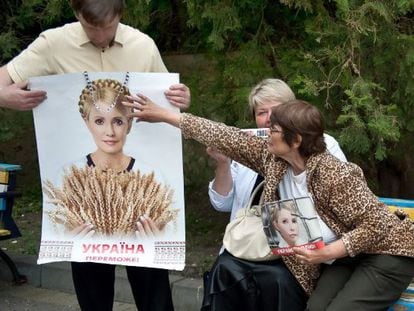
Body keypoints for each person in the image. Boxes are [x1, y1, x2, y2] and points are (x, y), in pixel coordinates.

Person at [126, 96, 414, 311]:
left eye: (273, 128)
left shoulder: (334, 173)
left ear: (296, 139)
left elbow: (376, 224)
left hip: (386, 253)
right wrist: (163, 115)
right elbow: (223, 135)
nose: (265, 132)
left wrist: (327, 251)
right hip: (345, 256)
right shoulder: (273, 159)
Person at [203, 79, 346, 310]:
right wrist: (222, 164)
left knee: (277, 281)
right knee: (224, 268)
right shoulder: (246, 146)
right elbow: (221, 203)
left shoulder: (323, 144)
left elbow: (338, 204)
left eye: (276, 110)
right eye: (262, 112)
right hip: (250, 245)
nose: (269, 118)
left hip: (296, 248)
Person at [66, 78, 173, 311]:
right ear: (87, 123)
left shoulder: (151, 175)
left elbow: (167, 222)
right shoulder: (71, 175)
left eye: (118, 121)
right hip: (91, 249)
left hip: (142, 249)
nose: (110, 132)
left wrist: (160, 235)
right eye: (99, 121)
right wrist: (67, 234)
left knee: (155, 300)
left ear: (130, 124)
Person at [0, 0, 190, 111]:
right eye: (90, 28)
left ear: (120, 14)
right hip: (68, 169)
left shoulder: (144, 46)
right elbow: (3, 78)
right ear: (76, 13)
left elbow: (169, 102)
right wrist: (3, 96)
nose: (100, 37)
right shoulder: (53, 43)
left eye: (108, 27)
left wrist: (181, 98)